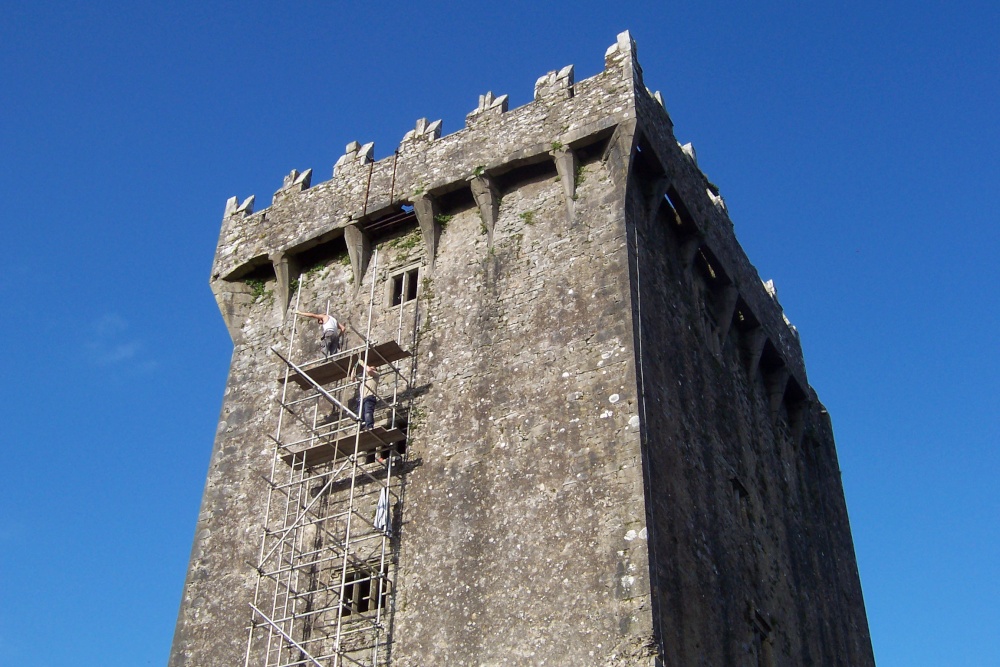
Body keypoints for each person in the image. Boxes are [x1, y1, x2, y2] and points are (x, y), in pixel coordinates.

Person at [350, 361, 380, 430]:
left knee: (368, 412)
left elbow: (369, 370)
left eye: (373, 369)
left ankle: (369, 426)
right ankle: (361, 427)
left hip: (369, 397)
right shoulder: (364, 379)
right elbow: (352, 378)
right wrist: (354, 368)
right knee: (360, 415)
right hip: (362, 399)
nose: (371, 369)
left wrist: (362, 363)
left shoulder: (375, 376)